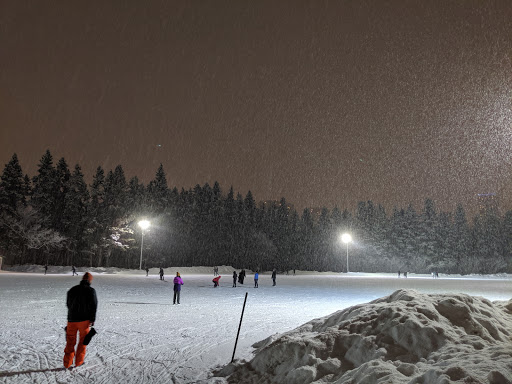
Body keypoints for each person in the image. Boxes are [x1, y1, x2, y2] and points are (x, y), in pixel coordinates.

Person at [63, 272, 97, 368]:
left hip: (71, 320)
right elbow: (93, 306)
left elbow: (68, 304)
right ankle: (79, 362)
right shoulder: (91, 291)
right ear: (90, 280)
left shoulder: (72, 290)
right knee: (83, 341)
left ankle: (67, 363)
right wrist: (92, 319)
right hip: (84, 321)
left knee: (70, 341)